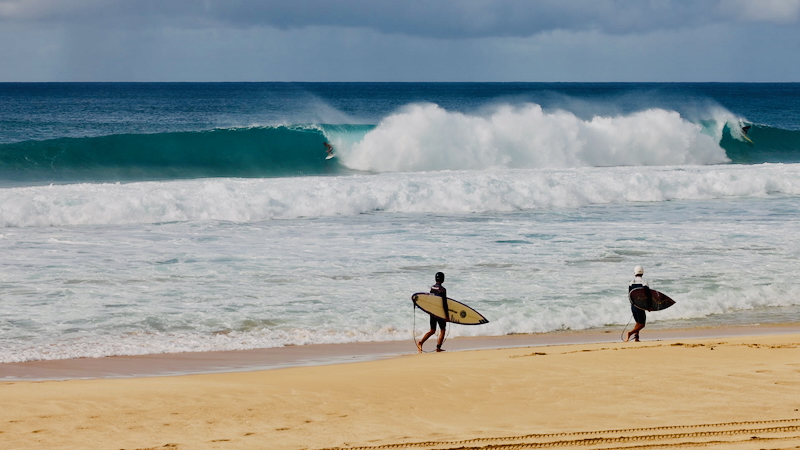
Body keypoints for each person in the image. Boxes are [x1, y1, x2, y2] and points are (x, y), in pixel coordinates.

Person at [417, 272, 449, 353]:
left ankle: (420, 342)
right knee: (442, 330)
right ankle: (438, 347)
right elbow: (444, 304)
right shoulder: (443, 290)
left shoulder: (432, 288)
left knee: (432, 330)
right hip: (439, 312)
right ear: (443, 279)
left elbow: (431, 300)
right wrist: (447, 315)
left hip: (432, 312)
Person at [626, 265, 651, 342]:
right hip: (641, 306)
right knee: (642, 324)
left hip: (633, 305)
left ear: (634, 272)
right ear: (643, 272)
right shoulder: (644, 283)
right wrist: (649, 306)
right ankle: (630, 333)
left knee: (637, 322)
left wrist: (633, 305)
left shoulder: (631, 283)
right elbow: (648, 295)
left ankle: (636, 338)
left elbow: (629, 295)